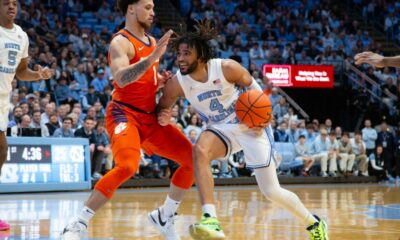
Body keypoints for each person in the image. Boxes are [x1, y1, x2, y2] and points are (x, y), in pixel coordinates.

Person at [156, 21, 328, 240]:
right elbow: (162, 107)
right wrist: (164, 116)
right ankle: (211, 219)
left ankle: (314, 223)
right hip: (220, 129)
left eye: (186, 53)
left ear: (200, 56)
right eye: (178, 53)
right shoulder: (177, 83)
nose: (180, 58)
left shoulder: (226, 67)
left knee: (271, 191)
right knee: (199, 150)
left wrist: (263, 114)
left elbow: (253, 87)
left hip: (249, 125)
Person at [61, 1, 194, 240]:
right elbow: (121, 79)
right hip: (124, 113)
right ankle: (78, 223)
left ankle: (165, 216)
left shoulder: (153, 42)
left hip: (149, 116)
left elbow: (144, 81)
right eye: (148, 7)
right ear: (131, 8)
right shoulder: (120, 42)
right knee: (127, 165)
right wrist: (152, 58)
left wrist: (159, 83)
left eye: (154, 7)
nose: (153, 12)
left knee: (193, 159)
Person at [0, 0, 52, 231]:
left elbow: (21, 72)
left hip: (3, 100)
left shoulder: (21, 35)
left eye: (14, 3)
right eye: (5, 3)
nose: (11, 7)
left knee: (1, 152)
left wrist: (39, 75)